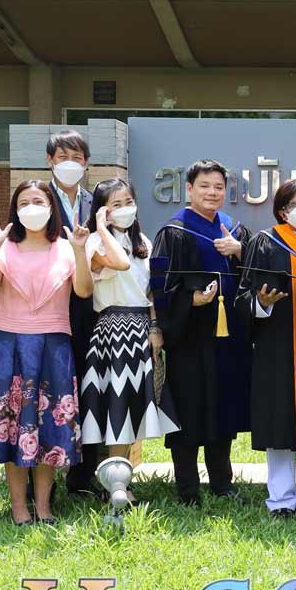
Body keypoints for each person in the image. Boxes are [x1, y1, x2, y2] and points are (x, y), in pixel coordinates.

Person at [0, 180, 93, 526]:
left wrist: (80, 251)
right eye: (24, 203)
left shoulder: (66, 247)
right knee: (13, 428)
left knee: (48, 428)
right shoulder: (4, 246)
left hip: (54, 347)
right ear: (15, 210)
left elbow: (84, 291)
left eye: (38, 201)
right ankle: (19, 506)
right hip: (10, 346)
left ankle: (44, 506)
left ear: (52, 207)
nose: (31, 208)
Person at [149, 160, 251, 505]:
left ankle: (222, 482)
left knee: (223, 407)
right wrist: (189, 301)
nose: (212, 192)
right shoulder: (174, 231)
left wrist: (240, 252)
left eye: (218, 187)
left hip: (228, 337)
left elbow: (255, 276)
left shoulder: (234, 230)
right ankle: (187, 487)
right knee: (189, 408)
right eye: (205, 186)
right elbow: (160, 287)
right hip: (190, 338)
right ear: (189, 189)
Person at [235, 178, 296, 519]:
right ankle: (281, 498)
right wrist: (262, 303)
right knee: (279, 419)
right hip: (277, 345)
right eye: (294, 204)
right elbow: (242, 296)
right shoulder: (265, 242)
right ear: (282, 211)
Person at [78, 178, 179, 492]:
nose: (125, 209)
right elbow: (120, 264)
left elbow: (150, 291)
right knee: (116, 408)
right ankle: (115, 485)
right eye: (116, 205)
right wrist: (101, 228)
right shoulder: (95, 243)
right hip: (112, 329)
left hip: (141, 328)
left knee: (134, 407)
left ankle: (121, 480)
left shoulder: (143, 242)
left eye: (129, 202)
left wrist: (155, 327)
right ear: (102, 210)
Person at [44, 130, 103, 498]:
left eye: (77, 158)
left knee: (88, 386)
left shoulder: (95, 201)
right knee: (48, 388)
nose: (70, 163)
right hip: (47, 306)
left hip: (88, 306)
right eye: (62, 157)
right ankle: (42, 476)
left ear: (86, 163)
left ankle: (83, 474)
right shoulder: (38, 198)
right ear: (50, 161)